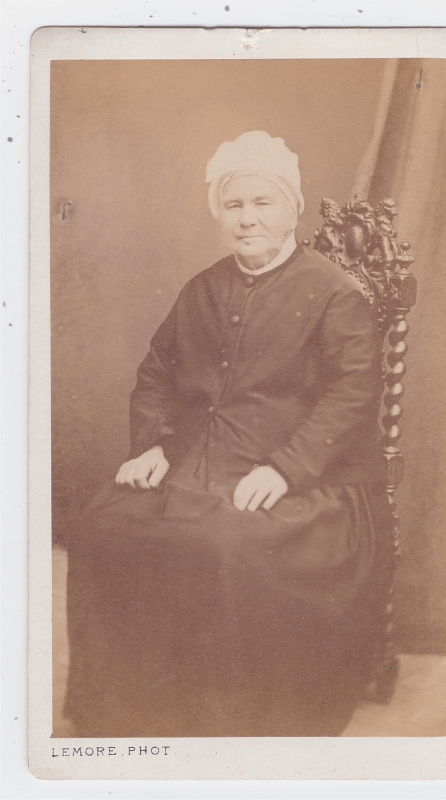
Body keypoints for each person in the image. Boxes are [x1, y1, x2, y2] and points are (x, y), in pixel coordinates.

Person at [64, 131, 392, 738]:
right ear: (221, 213)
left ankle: (229, 720)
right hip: (196, 469)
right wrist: (152, 446)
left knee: (228, 544)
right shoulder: (203, 288)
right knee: (105, 521)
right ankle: (132, 709)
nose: (247, 220)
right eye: (234, 205)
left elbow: (352, 396)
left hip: (305, 485)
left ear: (293, 207)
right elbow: (156, 372)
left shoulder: (335, 294)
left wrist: (285, 469)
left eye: (262, 203)